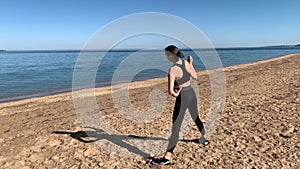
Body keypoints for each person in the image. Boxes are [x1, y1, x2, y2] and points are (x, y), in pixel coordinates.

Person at [150, 45, 209, 165]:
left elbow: (171, 91)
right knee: (195, 117)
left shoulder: (172, 70)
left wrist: (177, 94)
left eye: (166, 55)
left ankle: (167, 157)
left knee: (176, 126)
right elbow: (195, 77)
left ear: (171, 56)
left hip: (182, 97)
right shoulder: (186, 63)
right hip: (191, 93)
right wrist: (191, 63)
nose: (166, 57)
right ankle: (204, 139)